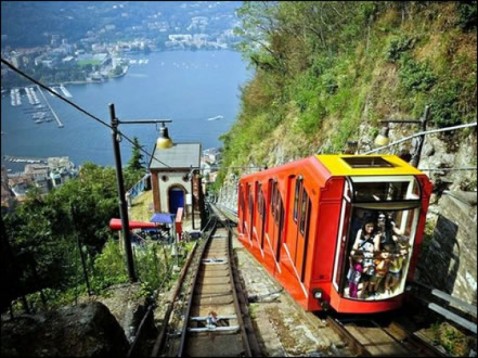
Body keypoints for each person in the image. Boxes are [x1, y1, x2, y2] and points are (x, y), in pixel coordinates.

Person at [350, 217, 379, 298]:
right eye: (368, 226)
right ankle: (354, 291)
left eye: (372, 226)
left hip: (368, 260)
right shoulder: (360, 232)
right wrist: (353, 252)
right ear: (364, 225)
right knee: (357, 276)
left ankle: (361, 293)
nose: (370, 228)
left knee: (366, 278)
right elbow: (356, 243)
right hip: (359, 257)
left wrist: (374, 249)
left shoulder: (376, 235)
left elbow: (377, 250)